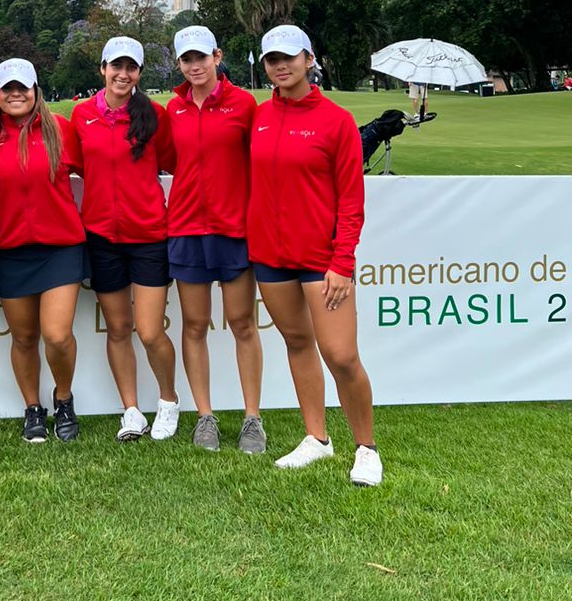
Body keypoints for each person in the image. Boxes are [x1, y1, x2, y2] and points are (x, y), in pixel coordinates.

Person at [247, 24, 382, 487]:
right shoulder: (260, 117)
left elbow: (351, 199)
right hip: (269, 255)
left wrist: (342, 262)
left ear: (308, 59)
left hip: (321, 259)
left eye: (289, 57)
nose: (280, 65)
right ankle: (317, 438)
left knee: (341, 355)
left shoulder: (336, 120)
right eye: (271, 59)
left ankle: (366, 447)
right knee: (298, 343)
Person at [70, 36, 179, 441]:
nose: (123, 74)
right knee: (118, 329)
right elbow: (76, 165)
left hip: (149, 233)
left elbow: (171, 160)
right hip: (101, 235)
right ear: (102, 69)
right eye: (116, 66)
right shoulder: (82, 116)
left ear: (139, 73)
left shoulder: (154, 115)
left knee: (149, 331)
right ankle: (131, 410)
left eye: (131, 67)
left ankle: (168, 400)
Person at [166, 25, 266, 454]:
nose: (195, 66)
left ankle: (252, 419)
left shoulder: (244, 104)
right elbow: (171, 161)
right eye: (187, 59)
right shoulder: (173, 109)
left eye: (201, 57)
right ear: (179, 63)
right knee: (193, 324)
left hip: (234, 230)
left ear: (217, 56)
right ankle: (204, 416)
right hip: (187, 227)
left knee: (243, 323)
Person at [0, 58, 85, 442]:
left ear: (36, 91)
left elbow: (101, 172)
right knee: (23, 338)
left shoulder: (62, 130)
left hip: (60, 247)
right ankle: (32, 409)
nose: (15, 94)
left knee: (56, 335)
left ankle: (63, 398)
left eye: (23, 87)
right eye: (7, 88)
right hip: (9, 249)